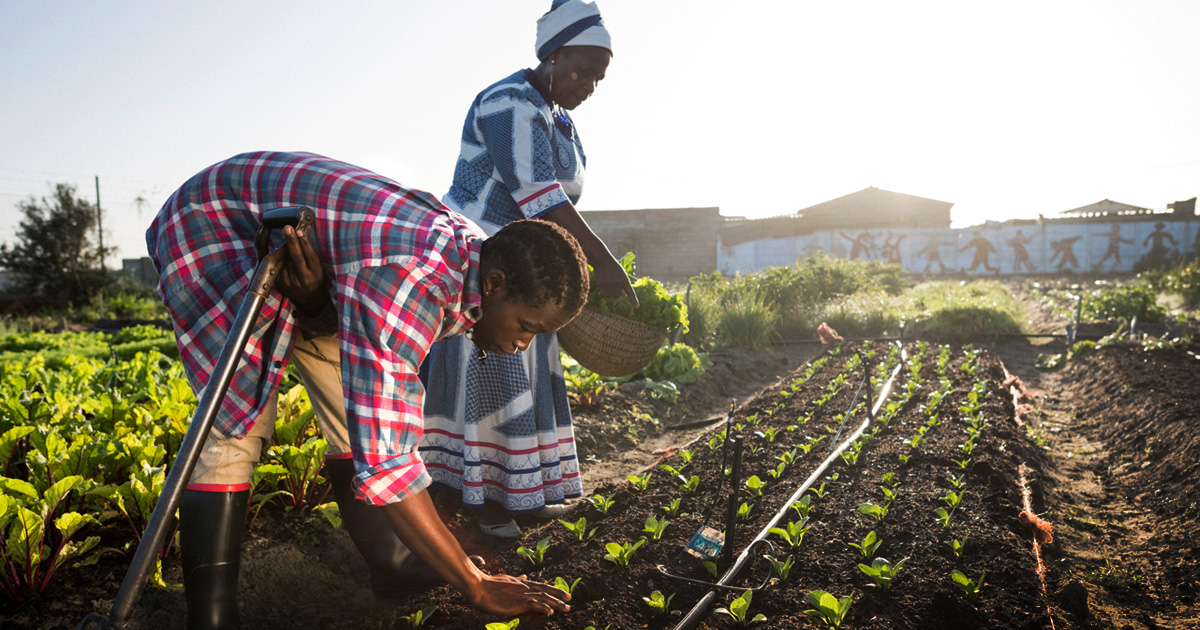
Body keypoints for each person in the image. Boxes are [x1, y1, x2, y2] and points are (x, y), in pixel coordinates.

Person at [146, 151, 583, 629]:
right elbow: (389, 460)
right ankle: (211, 620)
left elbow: (372, 407)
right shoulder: (413, 281)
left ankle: (394, 567)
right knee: (234, 422)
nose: (525, 343)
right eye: (527, 326)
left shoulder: (477, 257)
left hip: (311, 246)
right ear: (495, 285)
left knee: (350, 409)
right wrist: (472, 582)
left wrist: (315, 304)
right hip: (213, 224)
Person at [419, 0, 636, 538]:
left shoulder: (556, 117)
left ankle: (522, 491)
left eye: (598, 78)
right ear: (553, 54)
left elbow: (558, 199)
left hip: (530, 261)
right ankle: (480, 498)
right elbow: (539, 195)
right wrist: (602, 262)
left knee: (524, 368)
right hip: (482, 257)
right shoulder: (508, 102)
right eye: (580, 69)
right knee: (491, 368)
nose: (586, 83)